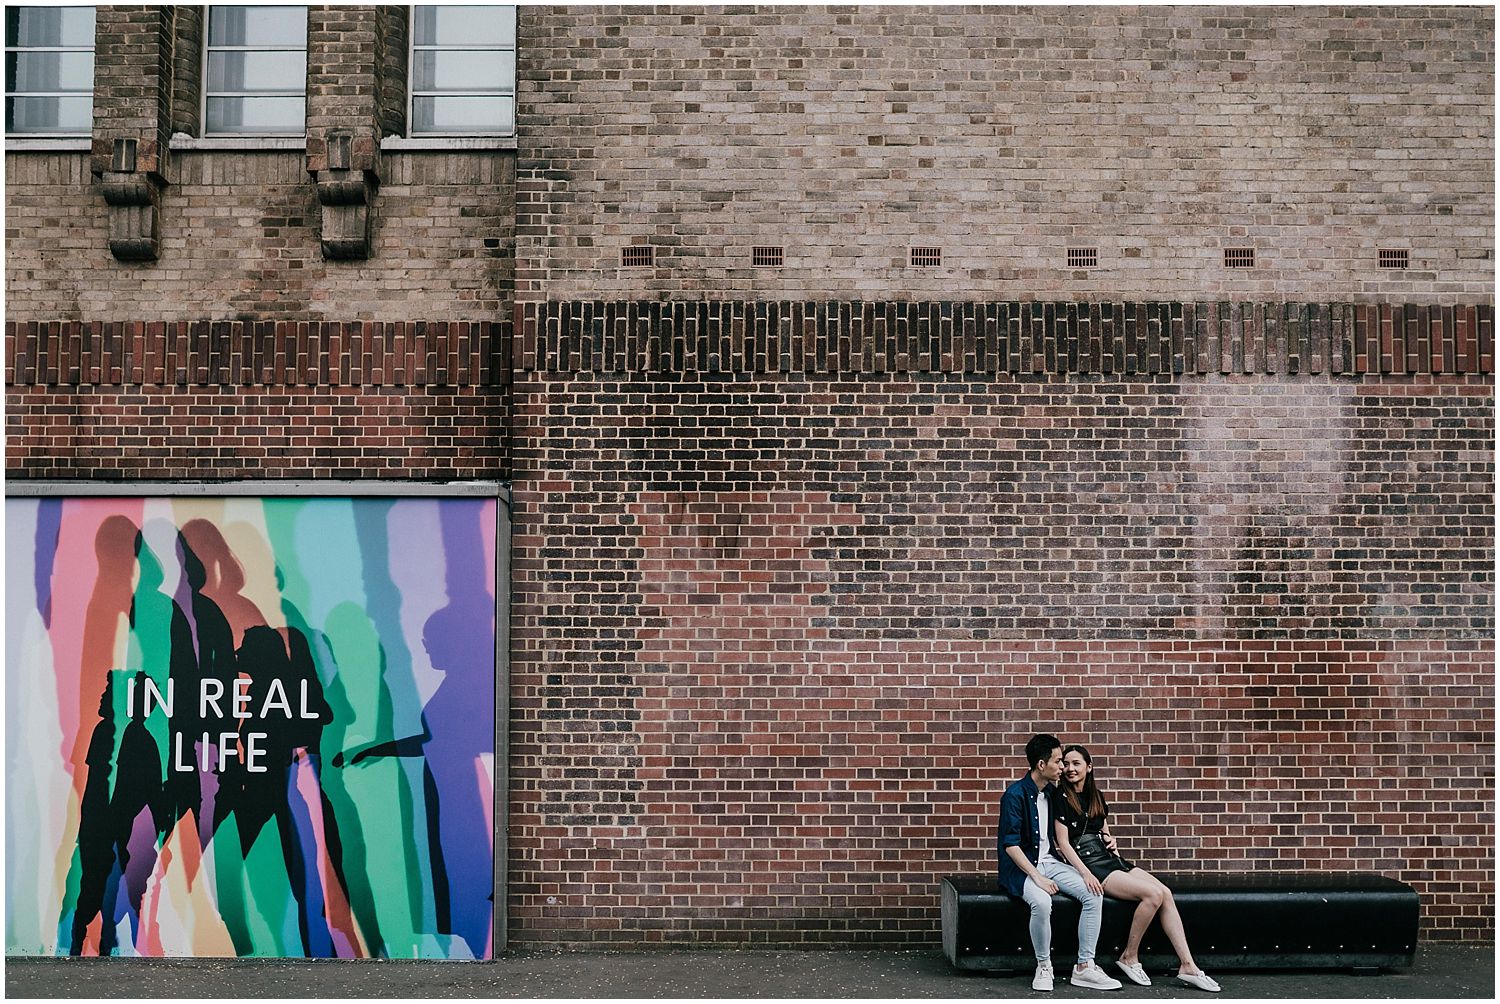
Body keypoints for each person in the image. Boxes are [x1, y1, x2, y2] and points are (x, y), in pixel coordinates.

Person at [1051, 744, 1221, 993]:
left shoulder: (1096, 794)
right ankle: (1129, 956)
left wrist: (1115, 850)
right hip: (1091, 865)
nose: (1069, 768)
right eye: (1066, 763)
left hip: (1109, 859)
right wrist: (1085, 874)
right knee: (1152, 895)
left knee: (1165, 892)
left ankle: (1188, 966)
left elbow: (1104, 832)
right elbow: (1063, 844)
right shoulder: (1060, 797)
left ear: (1089, 767)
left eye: (1076, 763)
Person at [998, 734, 1123, 992]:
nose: (1064, 768)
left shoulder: (1054, 794)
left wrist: (1106, 837)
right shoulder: (1014, 795)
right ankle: (1044, 965)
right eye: (1058, 761)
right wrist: (1038, 877)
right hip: (1023, 868)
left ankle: (1085, 966)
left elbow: (1086, 816)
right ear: (1042, 765)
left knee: (1093, 893)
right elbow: (1010, 845)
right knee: (1042, 902)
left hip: (1050, 862)